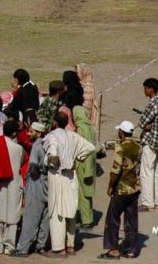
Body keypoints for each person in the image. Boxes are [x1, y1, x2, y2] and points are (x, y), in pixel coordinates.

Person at [44, 110, 96, 257]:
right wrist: (78, 157)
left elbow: (53, 153)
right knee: (70, 211)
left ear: (55, 122)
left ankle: (59, 248)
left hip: (57, 176)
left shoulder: (53, 137)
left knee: (57, 212)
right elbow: (90, 147)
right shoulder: (73, 136)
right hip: (71, 176)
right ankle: (71, 245)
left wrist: (52, 160)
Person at [101, 120, 142, 259]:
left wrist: (110, 186)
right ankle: (131, 250)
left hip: (122, 189)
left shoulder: (121, 148)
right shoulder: (138, 146)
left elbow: (115, 170)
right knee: (131, 220)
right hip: (134, 188)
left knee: (113, 218)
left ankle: (113, 249)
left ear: (121, 132)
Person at [0, 120, 25, 255]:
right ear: (14, 133)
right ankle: (9, 245)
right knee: (12, 215)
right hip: (13, 183)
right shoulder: (18, 148)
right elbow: (20, 164)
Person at [13, 121, 50, 258]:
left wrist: (30, 174)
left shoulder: (36, 146)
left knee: (31, 217)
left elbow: (33, 167)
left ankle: (23, 248)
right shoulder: (46, 143)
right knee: (45, 217)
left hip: (36, 183)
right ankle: (41, 245)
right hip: (47, 183)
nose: (29, 134)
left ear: (39, 133)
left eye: (31, 132)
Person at [137, 77, 158, 211]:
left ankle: (147, 202)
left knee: (146, 172)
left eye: (145, 88)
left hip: (150, 141)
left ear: (151, 89)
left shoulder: (152, 104)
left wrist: (149, 126)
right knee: (156, 172)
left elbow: (142, 122)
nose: (144, 91)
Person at [73, 104, 98, 229]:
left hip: (82, 165)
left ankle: (86, 220)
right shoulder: (92, 129)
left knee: (82, 193)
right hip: (91, 164)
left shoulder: (80, 129)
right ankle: (88, 217)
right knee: (87, 193)